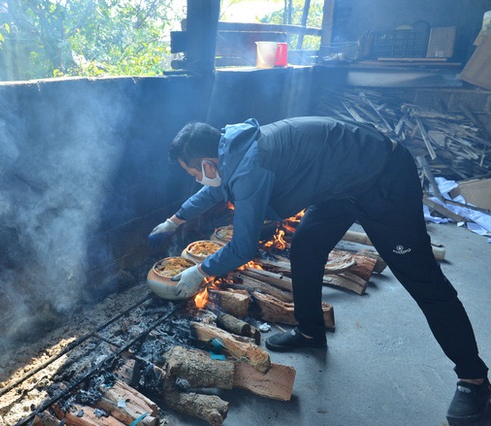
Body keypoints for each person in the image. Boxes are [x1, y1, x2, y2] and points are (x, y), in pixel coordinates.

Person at [148, 116, 489, 424]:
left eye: (194, 173)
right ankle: (311, 332)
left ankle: (473, 379)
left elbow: (243, 246)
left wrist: (199, 273)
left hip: (383, 178)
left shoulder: (251, 169)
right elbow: (214, 191)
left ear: (208, 163)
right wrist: (174, 220)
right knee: (306, 249)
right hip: (339, 187)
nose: (196, 179)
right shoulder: (232, 148)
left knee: (422, 278)